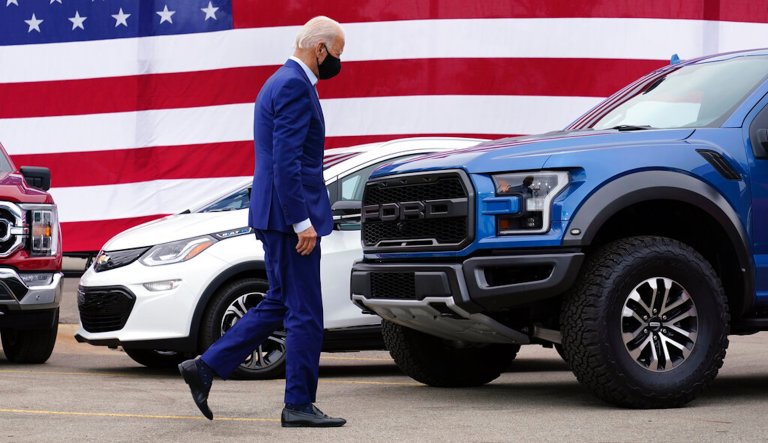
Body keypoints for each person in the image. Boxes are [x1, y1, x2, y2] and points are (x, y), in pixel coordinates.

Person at [178, 16, 346, 428]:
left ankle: (205, 367)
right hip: (289, 219)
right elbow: (286, 163)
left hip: (276, 216)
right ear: (320, 49)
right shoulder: (293, 85)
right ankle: (299, 405)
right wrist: (301, 221)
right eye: (338, 54)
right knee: (306, 314)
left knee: (280, 302)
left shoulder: (279, 81)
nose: (338, 63)